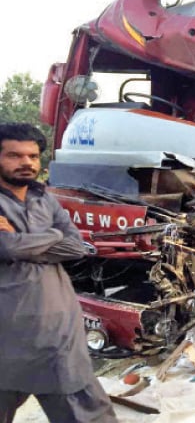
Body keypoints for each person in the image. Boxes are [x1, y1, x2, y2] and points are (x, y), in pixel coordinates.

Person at [0, 123, 117, 422]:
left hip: (57, 329)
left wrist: (27, 241)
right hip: (7, 332)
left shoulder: (44, 198)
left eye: (33, 156)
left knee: (86, 410)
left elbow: (76, 247)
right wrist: (53, 236)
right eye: (14, 155)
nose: (27, 163)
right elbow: (7, 248)